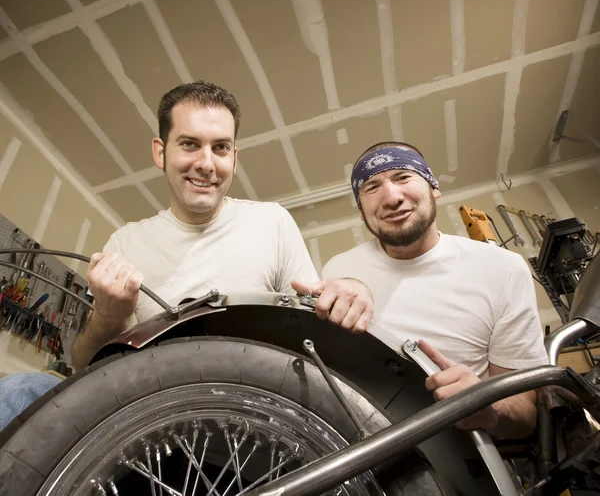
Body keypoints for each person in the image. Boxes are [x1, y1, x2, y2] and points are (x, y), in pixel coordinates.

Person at [0, 81, 373, 431]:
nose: (206, 164)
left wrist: (349, 292)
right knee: (17, 393)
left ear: (234, 157)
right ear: (161, 153)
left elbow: (311, 333)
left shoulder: (271, 221)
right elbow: (83, 365)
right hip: (151, 416)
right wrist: (109, 316)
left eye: (220, 148)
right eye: (190, 144)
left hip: (253, 412)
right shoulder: (127, 241)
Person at [322, 141, 549, 439]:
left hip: (463, 457)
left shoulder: (502, 269)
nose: (391, 197)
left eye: (403, 177)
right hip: (363, 446)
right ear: (361, 210)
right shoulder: (338, 272)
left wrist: (487, 405)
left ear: (433, 187)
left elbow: (527, 414)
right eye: (371, 187)